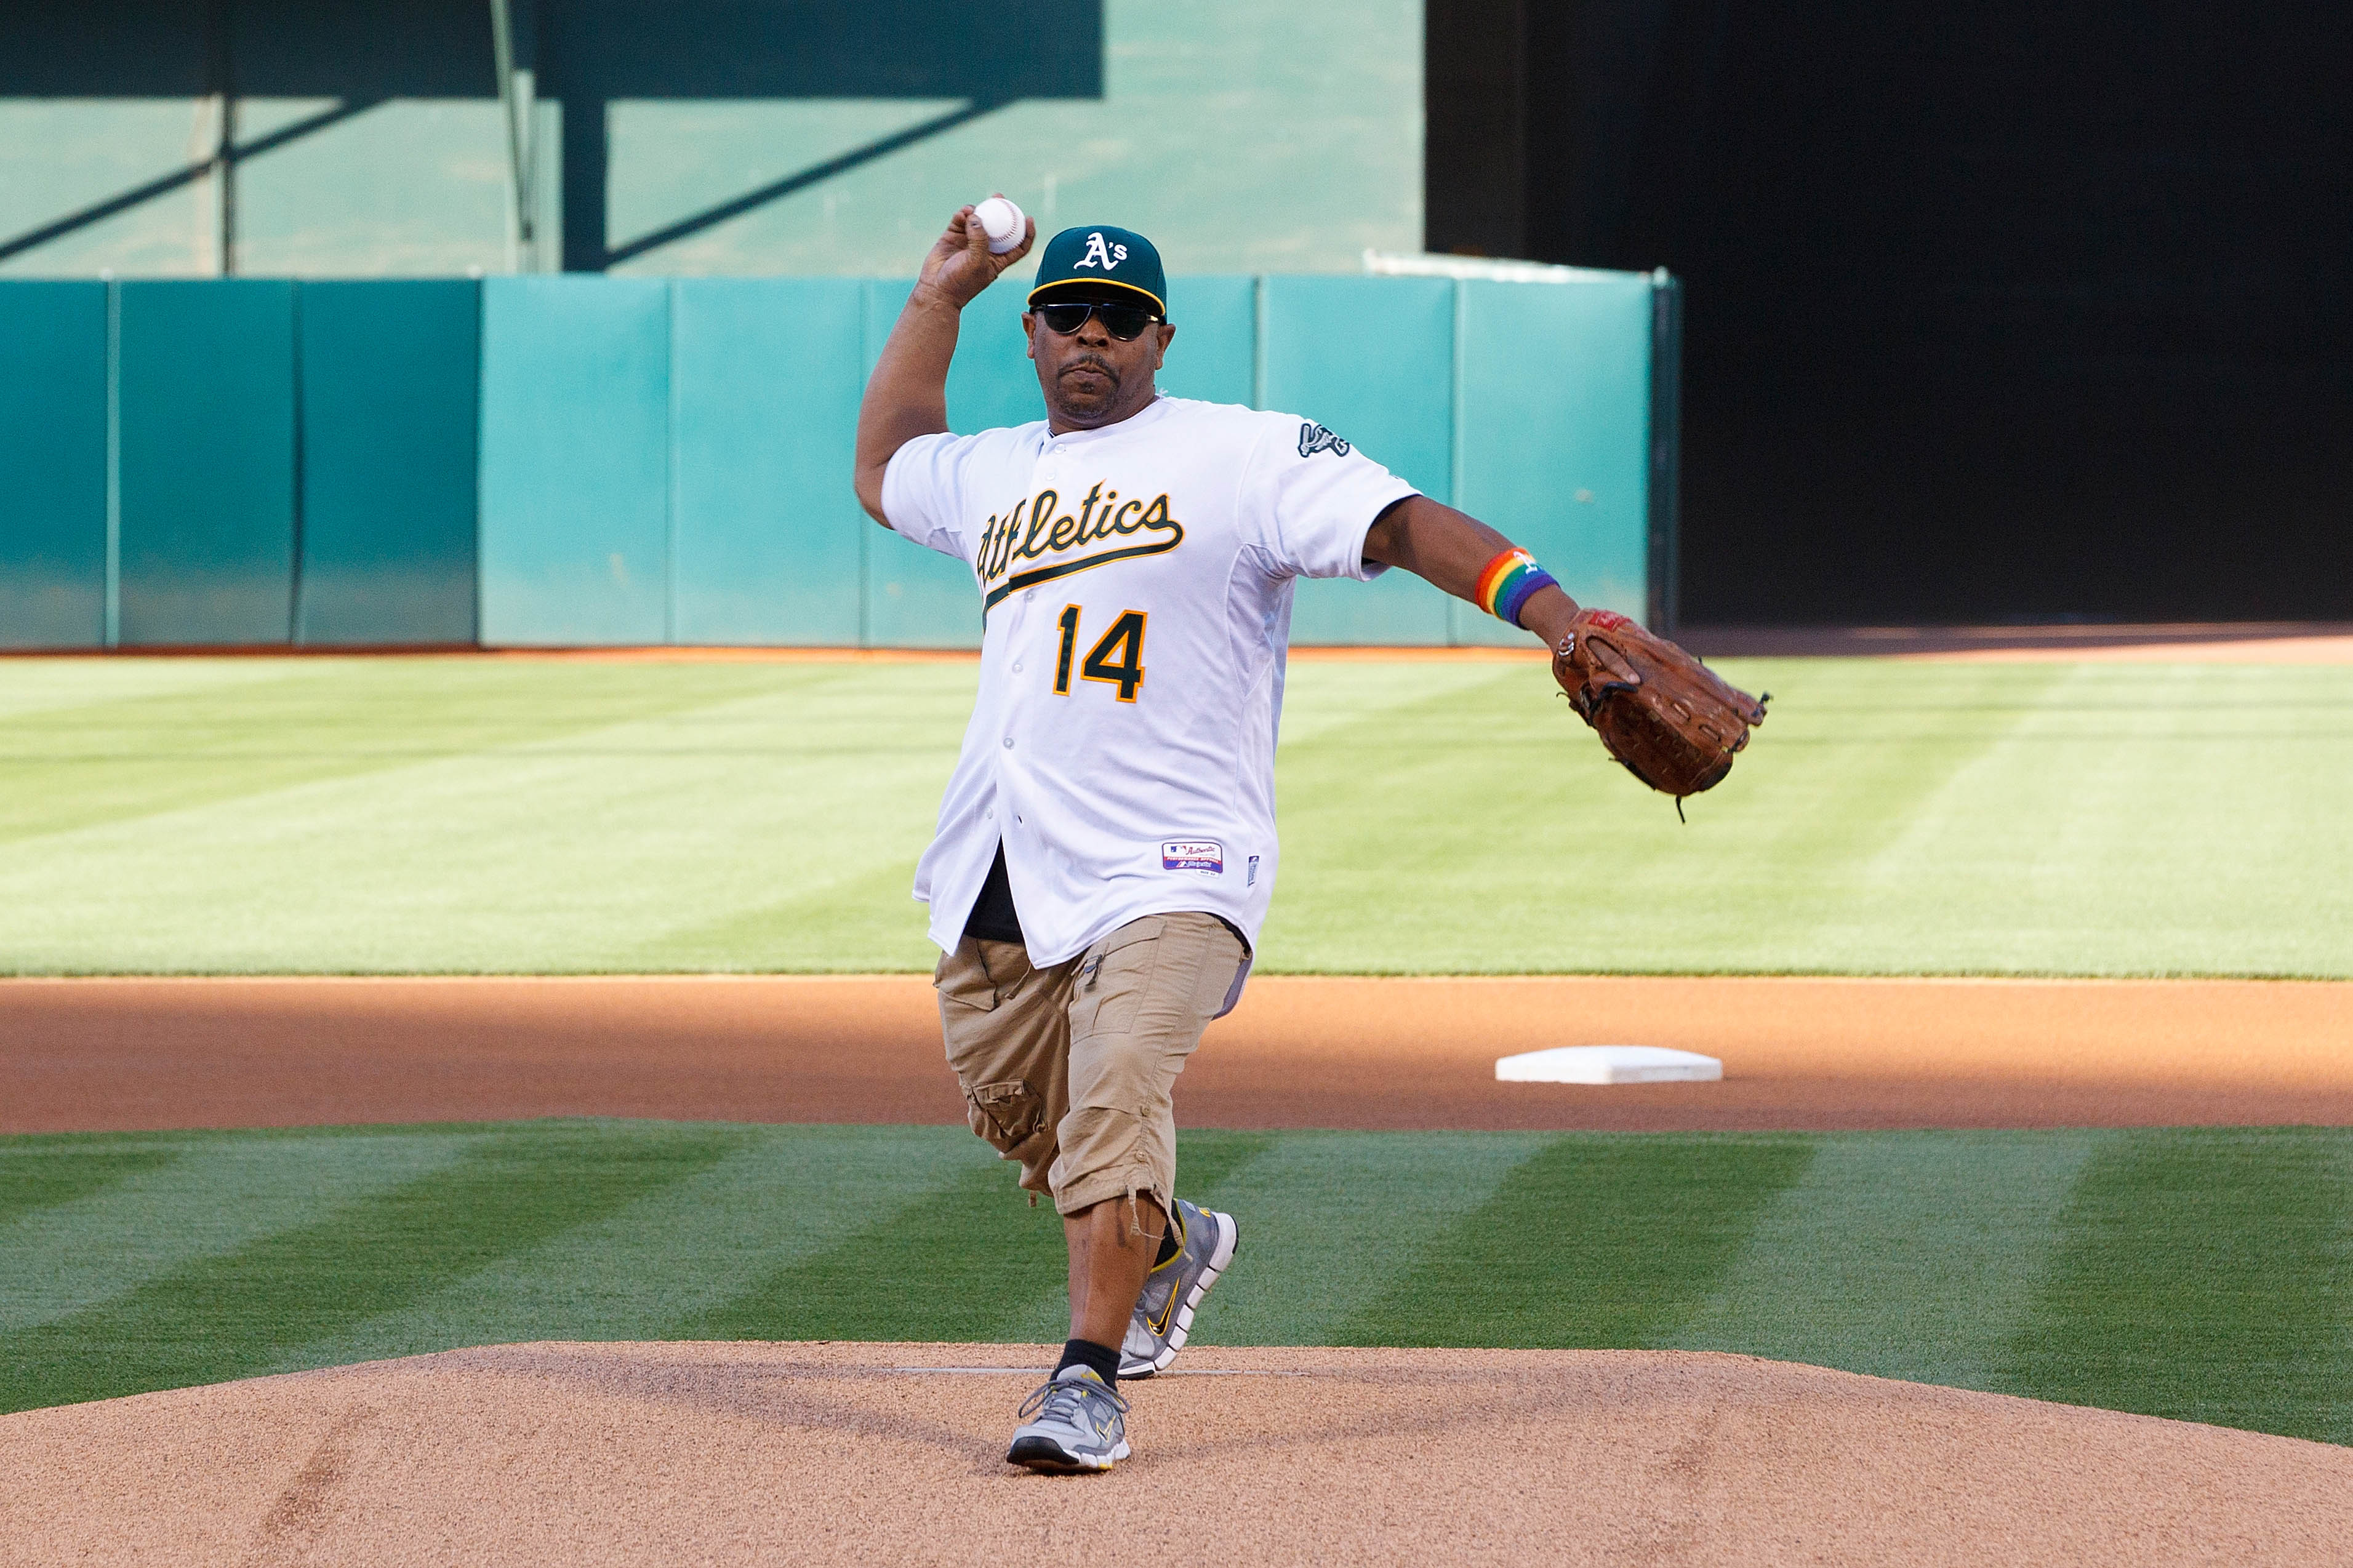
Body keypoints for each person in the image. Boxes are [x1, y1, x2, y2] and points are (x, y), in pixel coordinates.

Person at [852, 205, 1587, 1474]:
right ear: (1032, 334)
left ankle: (1084, 1384)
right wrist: (938, 295)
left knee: (1118, 1089)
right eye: (1069, 314)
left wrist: (1556, 615)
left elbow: (1403, 522)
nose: (1093, 334)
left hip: (1178, 859)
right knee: (1017, 1107)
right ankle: (1168, 1240)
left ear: (1161, 339)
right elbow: (885, 465)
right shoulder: (991, 472)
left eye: (1120, 317)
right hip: (1007, 852)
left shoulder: (1244, 454)